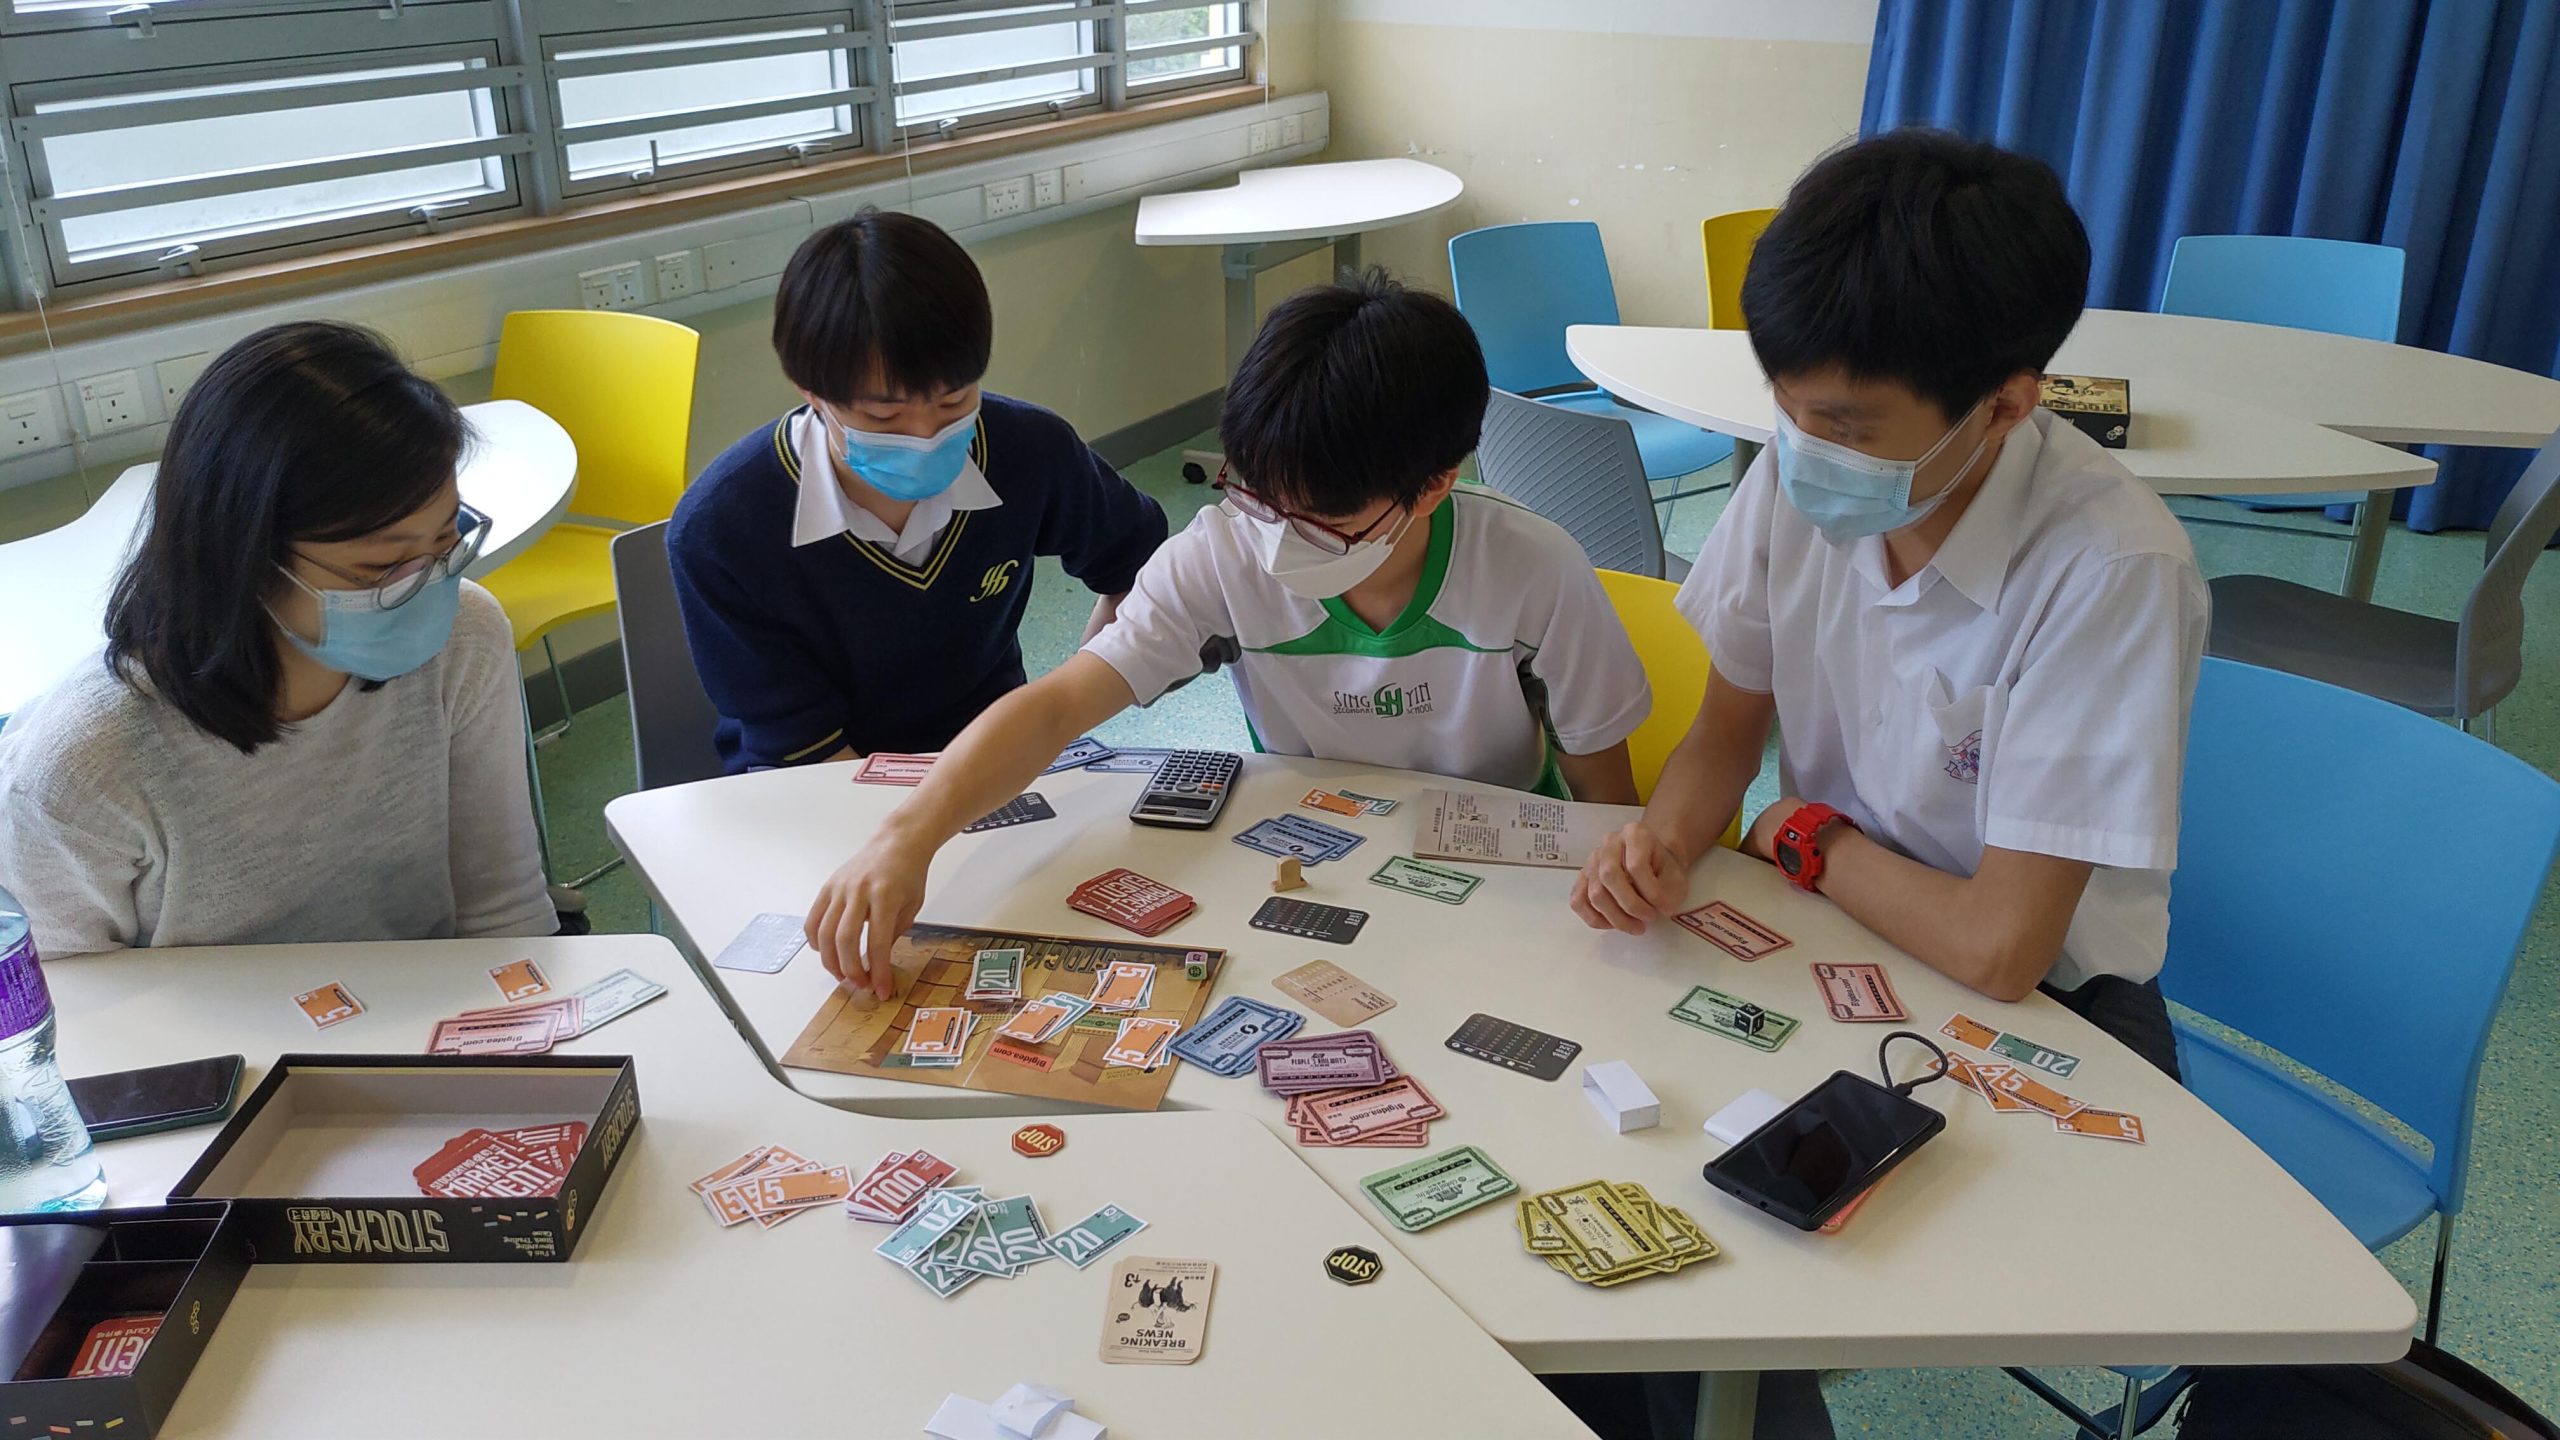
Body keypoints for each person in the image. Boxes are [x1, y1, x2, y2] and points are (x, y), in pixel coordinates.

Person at [805, 270, 1651, 993]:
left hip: (1497, 867)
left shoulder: (1532, 568)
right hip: (1320, 861)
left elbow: (1604, 799)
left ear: (1433, 485)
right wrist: (908, 836)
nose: (1277, 538)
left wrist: (1614, 885)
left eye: (1323, 522)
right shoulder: (1221, 554)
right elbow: (1060, 706)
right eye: (1258, 493)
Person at [1572, 129, 2208, 1080]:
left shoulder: (2111, 569)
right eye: (1786, 404)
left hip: (2054, 1005)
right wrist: (1656, 845)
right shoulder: (1796, 473)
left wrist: (1805, 837)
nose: (1800, 447)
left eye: (1845, 426)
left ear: (2005, 405)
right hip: (1834, 923)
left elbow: (2001, 949)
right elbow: (1724, 738)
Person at [0, 321, 555, 954]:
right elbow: (60, 994)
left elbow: (503, 906)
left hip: (431, 1001)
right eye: (382, 567)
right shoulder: (81, 770)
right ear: (244, 556)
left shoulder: (466, 639)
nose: (430, 586)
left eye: (448, 538)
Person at [668, 210, 1169, 772]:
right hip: (814, 781)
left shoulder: (1030, 449)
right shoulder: (723, 529)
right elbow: (801, 746)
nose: (927, 434)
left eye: (954, 401)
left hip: (986, 754)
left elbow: (1144, 567)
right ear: (810, 390)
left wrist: (1066, 707)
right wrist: (942, 808)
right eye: (884, 416)